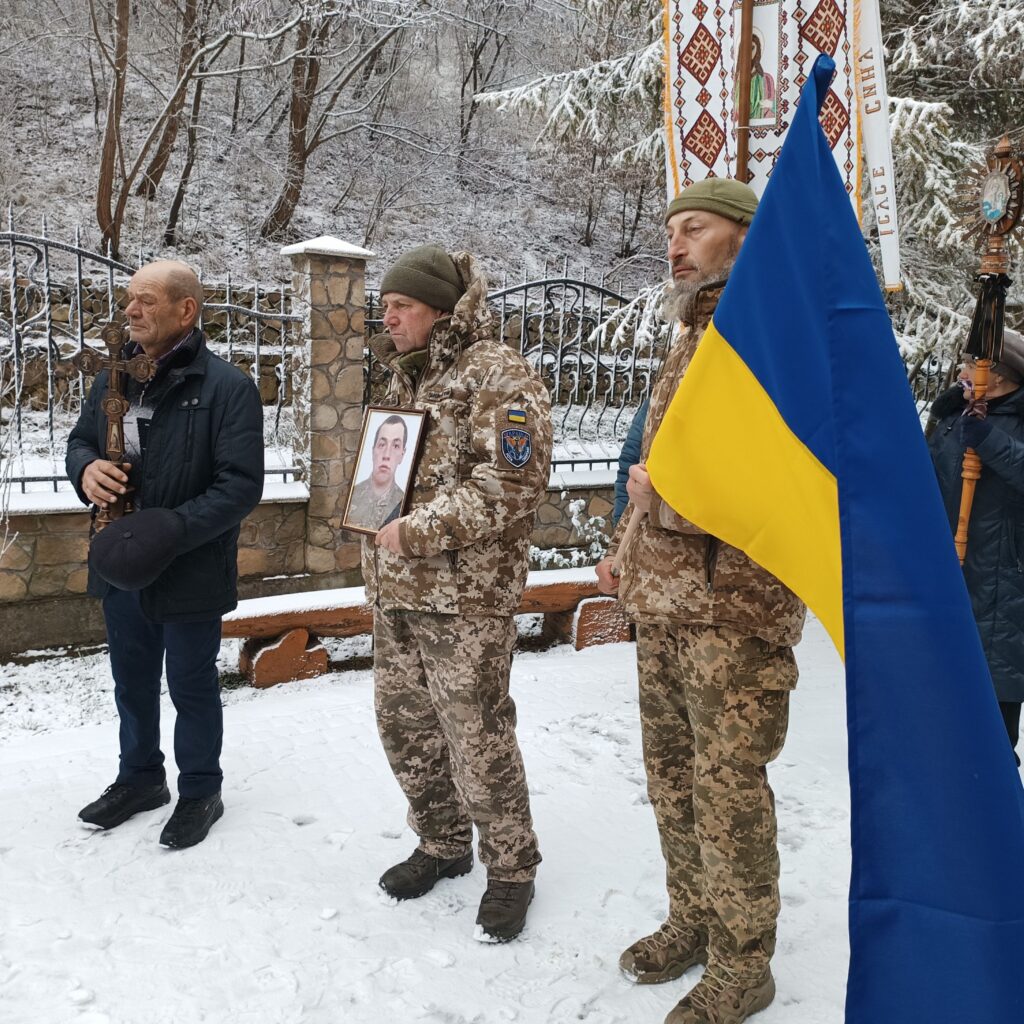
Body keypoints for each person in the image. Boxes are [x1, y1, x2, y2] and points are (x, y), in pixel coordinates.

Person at [595, 180, 805, 1024]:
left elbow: (783, 484)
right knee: (672, 778)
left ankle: (744, 962)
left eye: (696, 229)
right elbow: (656, 461)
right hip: (668, 598)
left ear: (747, 238)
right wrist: (625, 549)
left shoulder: (776, 336)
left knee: (728, 789)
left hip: (736, 608)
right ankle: (695, 917)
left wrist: (662, 503)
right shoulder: (692, 330)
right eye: (670, 229)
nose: (675, 245)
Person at [366, 243, 552, 942]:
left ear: (441, 310)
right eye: (385, 307)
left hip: (466, 598)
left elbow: (511, 484)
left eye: (401, 306)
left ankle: (511, 868)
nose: (388, 319)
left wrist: (418, 530)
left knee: (478, 734)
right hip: (397, 592)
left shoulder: (500, 377)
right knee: (404, 726)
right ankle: (443, 842)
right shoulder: (402, 378)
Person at [66, 260, 264, 849]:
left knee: (190, 684)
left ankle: (201, 789)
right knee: (130, 680)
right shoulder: (114, 378)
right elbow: (80, 439)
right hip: (121, 561)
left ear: (186, 310)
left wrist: (168, 529)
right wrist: (86, 470)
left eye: (146, 301)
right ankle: (141, 779)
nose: (131, 310)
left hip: (189, 564)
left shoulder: (227, 387)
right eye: (129, 300)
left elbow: (239, 486)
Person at [928, 327, 1024, 767]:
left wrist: (991, 443)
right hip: (949, 584)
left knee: (992, 737)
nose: (962, 372)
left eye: (971, 365)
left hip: (1003, 600)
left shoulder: (1011, 421)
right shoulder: (954, 418)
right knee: (942, 719)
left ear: (999, 377)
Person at [347, 414, 408, 531]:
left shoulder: (404, 502)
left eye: (395, 446)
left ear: (402, 454)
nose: (386, 455)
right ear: (373, 450)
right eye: (382, 444)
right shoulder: (354, 495)